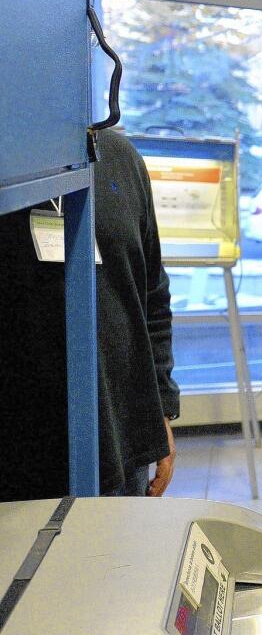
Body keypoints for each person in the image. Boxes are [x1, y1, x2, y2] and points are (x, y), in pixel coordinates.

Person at [0, 127, 179, 501]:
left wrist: (160, 412)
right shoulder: (10, 160)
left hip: (122, 434)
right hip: (25, 454)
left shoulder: (120, 157)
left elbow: (152, 297)